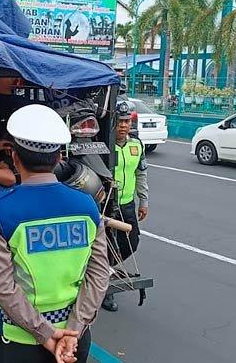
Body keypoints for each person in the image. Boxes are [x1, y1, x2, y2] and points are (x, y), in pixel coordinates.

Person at [0, 104, 110, 363]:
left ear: (14, 158)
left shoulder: (1, 211)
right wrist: (72, 330)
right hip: (75, 339)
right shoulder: (87, 206)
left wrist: (46, 334)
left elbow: (4, 288)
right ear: (59, 157)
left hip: (21, 340)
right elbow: (98, 275)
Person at [102, 101, 149, 312]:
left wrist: (144, 201)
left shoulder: (136, 144)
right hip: (106, 204)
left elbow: (141, 173)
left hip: (127, 204)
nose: (123, 126)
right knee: (106, 244)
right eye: (120, 121)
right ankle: (105, 289)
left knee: (132, 241)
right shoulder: (104, 144)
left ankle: (104, 269)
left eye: (126, 121)